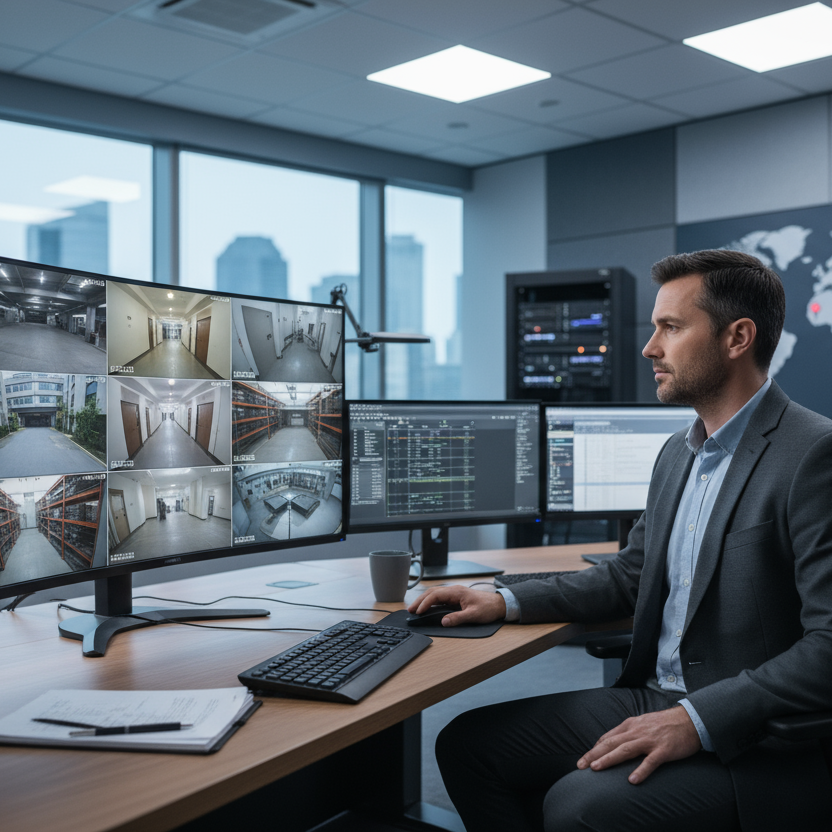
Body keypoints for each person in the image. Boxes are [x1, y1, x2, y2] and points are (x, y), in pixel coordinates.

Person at [409, 250, 832, 832]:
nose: (650, 348)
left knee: (577, 806)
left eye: (671, 327)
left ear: (737, 338)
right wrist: (504, 599)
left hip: (758, 736)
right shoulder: (678, 453)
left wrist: (697, 719)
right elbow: (630, 575)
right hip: (657, 694)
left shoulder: (813, 454)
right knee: (468, 745)